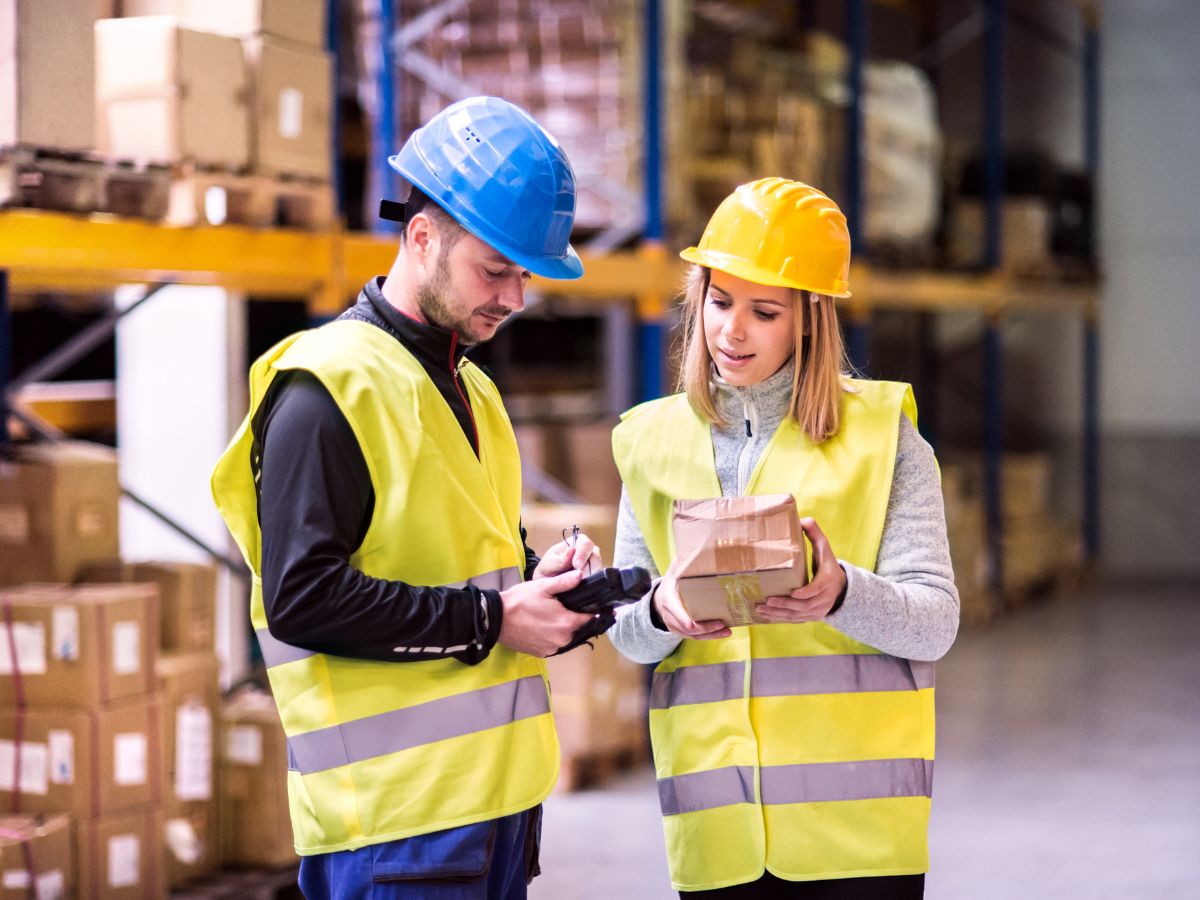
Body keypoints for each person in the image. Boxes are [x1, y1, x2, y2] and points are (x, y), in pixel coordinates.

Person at [211, 96, 602, 899]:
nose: (514, 298)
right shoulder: (328, 388)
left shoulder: (475, 393)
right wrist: (495, 619)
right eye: (496, 270)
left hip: (493, 812)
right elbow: (302, 598)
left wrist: (547, 583)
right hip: (392, 834)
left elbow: (470, 563)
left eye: (524, 275)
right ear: (422, 238)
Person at [607, 177, 959, 898]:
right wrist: (659, 612)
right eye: (719, 301)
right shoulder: (650, 442)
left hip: (856, 839)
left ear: (809, 319)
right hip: (718, 832)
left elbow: (935, 624)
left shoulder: (884, 439)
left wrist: (841, 594)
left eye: (763, 311)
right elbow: (626, 634)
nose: (731, 331)